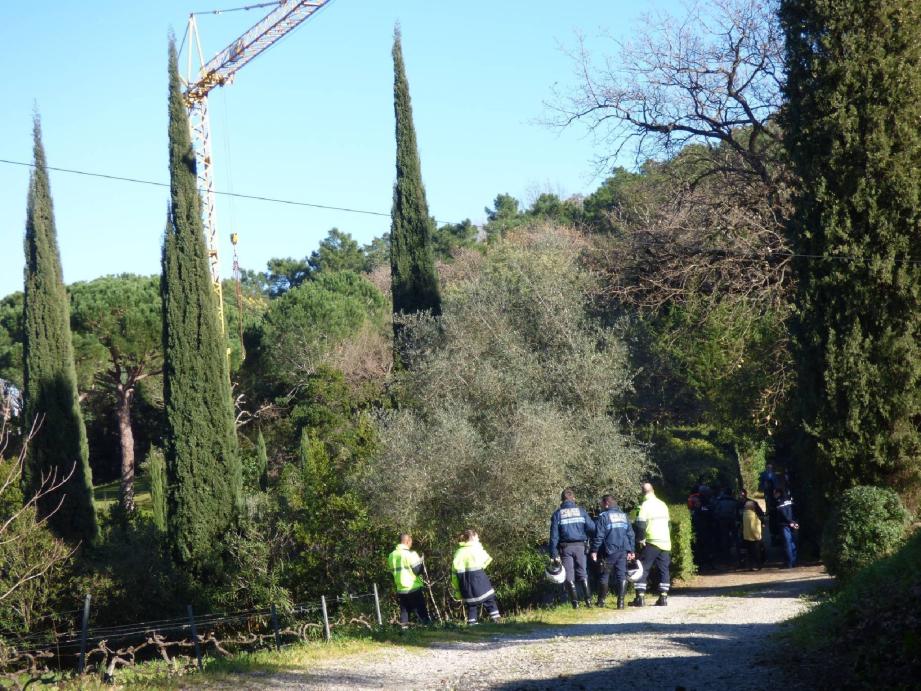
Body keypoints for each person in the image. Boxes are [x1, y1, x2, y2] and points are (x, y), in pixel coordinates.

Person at [548, 488, 595, 608]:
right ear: (573, 498)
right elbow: (592, 528)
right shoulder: (581, 511)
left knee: (569, 575)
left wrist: (553, 554)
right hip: (580, 546)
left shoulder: (558, 514)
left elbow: (554, 536)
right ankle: (588, 602)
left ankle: (575, 604)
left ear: (561, 500)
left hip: (566, 548)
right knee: (583, 573)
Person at [630, 482, 672, 607]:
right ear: (653, 490)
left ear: (642, 492)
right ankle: (663, 597)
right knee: (663, 569)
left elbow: (640, 525)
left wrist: (640, 540)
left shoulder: (645, 505)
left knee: (643, 568)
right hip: (665, 541)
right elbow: (669, 525)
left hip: (651, 540)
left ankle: (640, 597)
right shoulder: (662, 504)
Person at [590, 495, 635, 609]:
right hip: (623, 550)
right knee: (621, 575)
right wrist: (631, 550)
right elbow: (630, 534)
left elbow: (599, 536)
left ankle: (601, 601)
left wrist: (594, 550)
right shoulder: (624, 516)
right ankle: (620, 603)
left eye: (601, 503)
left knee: (604, 575)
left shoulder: (604, 516)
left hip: (609, 550)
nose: (600, 505)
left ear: (606, 504)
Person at [452, 529, 501, 625]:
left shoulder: (457, 553)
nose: (479, 539)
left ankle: (472, 625)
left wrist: (458, 592)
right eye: (478, 537)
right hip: (480, 584)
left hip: (466, 588)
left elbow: (454, 576)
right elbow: (486, 560)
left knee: (472, 606)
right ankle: (498, 621)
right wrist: (479, 546)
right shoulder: (475, 549)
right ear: (473, 538)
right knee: (490, 601)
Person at [387, 534, 431, 629]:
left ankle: (405, 631)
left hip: (400, 587)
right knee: (421, 610)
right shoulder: (410, 554)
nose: (411, 544)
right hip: (413, 586)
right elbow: (417, 571)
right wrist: (420, 562)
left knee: (405, 611)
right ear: (407, 542)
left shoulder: (391, 555)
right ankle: (428, 629)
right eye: (411, 542)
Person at [773, 488, 799, 568]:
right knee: (792, 543)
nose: (774, 495)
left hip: (785, 524)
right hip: (793, 523)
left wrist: (789, 521)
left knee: (787, 544)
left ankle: (789, 563)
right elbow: (794, 511)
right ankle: (794, 561)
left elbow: (783, 513)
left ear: (778, 493)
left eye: (775, 493)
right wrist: (794, 522)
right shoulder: (789, 500)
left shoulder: (779, 502)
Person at [741, 500, 764, 571]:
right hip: (754, 537)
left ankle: (750, 566)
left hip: (747, 536)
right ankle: (758, 565)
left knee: (749, 553)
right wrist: (758, 537)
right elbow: (753, 527)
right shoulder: (753, 515)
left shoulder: (744, 514)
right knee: (757, 552)